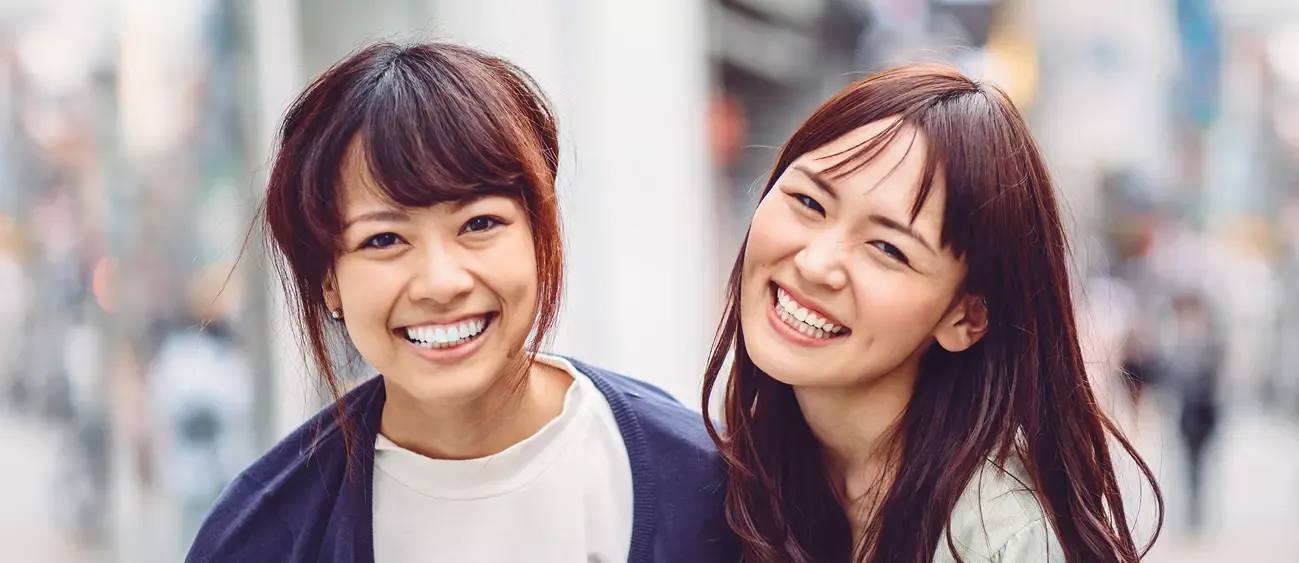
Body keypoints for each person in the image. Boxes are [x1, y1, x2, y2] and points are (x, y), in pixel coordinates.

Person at [186, 42, 733, 563]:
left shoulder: (709, 488)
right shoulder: (265, 534)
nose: (441, 282)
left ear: (541, 237)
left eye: (480, 224)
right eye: (383, 239)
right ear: (329, 278)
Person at [701, 63, 1163, 562]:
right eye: (809, 202)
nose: (816, 264)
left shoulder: (1001, 540)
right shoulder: (749, 467)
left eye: (887, 248)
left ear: (966, 318)